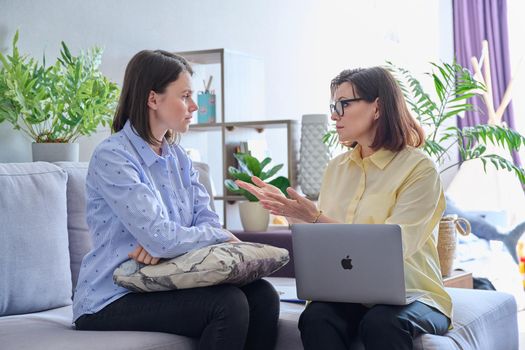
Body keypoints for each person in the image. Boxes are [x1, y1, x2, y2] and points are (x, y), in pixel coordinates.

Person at [73, 50, 280, 350]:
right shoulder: (113, 156)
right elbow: (166, 237)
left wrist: (170, 245)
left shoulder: (178, 157)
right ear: (153, 99)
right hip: (112, 296)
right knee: (228, 304)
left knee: (263, 296)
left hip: (162, 281)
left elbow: (196, 223)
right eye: (184, 96)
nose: (194, 106)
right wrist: (211, 237)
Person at [236, 67, 452, 350]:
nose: (334, 115)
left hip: (415, 295)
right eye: (332, 106)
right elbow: (330, 244)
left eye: (344, 104)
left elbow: (392, 246)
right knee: (316, 317)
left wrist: (313, 217)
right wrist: (294, 216)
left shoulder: (419, 168)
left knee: (382, 322)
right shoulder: (336, 168)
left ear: (377, 106)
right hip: (350, 294)